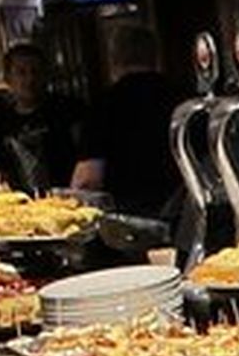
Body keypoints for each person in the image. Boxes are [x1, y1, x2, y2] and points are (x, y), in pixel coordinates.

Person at [71, 24, 184, 220]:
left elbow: (88, 180)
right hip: (183, 216)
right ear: (155, 55)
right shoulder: (183, 98)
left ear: (113, 58)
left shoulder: (104, 105)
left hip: (127, 222)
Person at [0, 43, 86, 196]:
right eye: (21, 72)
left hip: (71, 199)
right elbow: (1, 173)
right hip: (25, 208)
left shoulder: (69, 110)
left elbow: (87, 157)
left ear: (46, 75)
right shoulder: (0, 123)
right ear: (8, 79)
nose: (30, 79)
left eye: (36, 72)